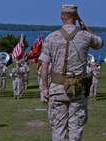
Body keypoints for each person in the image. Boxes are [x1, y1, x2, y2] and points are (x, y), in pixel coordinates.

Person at [39, 4, 104, 141]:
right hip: (78, 89)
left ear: (61, 16)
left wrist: (45, 88)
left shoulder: (51, 37)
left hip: (57, 88)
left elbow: (44, 65)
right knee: (76, 130)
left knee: (58, 129)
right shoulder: (86, 36)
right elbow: (100, 43)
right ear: (76, 17)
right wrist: (85, 28)